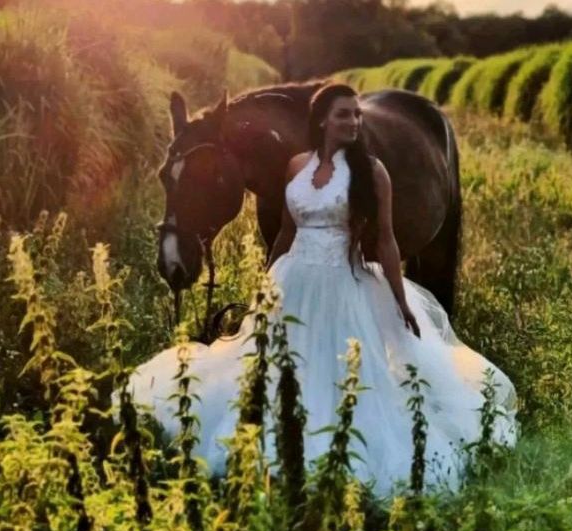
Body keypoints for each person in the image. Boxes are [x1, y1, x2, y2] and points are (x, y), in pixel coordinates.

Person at [123, 83, 519, 497]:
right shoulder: (294, 167)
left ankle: (340, 448)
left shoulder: (373, 172)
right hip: (297, 277)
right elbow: (285, 232)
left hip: (343, 279)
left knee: (343, 369)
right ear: (322, 121)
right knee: (280, 356)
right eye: (343, 114)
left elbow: (385, 240)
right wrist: (267, 282)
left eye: (356, 115)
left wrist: (400, 299)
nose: (353, 121)